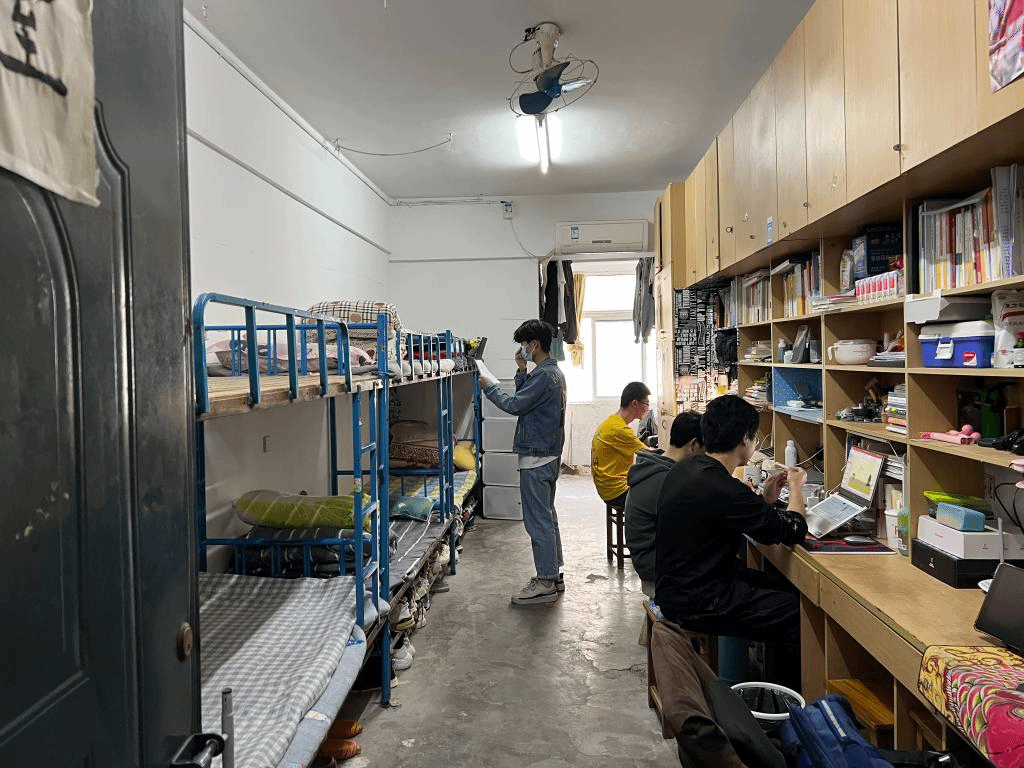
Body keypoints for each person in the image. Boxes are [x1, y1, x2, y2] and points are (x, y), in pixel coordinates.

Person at [655, 394, 807, 690]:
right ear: (744, 440)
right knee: (797, 614)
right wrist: (797, 488)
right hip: (698, 599)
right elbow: (792, 530)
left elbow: (733, 516)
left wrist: (764, 501)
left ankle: (772, 685)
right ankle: (788, 702)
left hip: (680, 585)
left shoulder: (687, 469)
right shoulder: (725, 488)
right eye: (754, 437)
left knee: (782, 586)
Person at [477, 319, 568, 606]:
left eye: (524, 345)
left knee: (537, 520)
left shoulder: (544, 376)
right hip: (548, 453)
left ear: (535, 344)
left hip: (537, 457)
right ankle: (553, 574)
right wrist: (520, 370)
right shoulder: (551, 372)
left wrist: (489, 387)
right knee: (547, 516)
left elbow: (515, 405)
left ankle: (545, 581)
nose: (522, 349)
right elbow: (529, 399)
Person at [623, 411, 703, 596]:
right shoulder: (668, 480)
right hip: (655, 568)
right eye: (705, 452)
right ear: (694, 445)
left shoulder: (657, 465)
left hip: (650, 559)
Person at [591, 381, 652, 509]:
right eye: (646, 404)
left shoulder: (611, 421)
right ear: (634, 403)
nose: (648, 408)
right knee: (660, 494)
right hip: (617, 492)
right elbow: (652, 455)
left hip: (606, 489)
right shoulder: (620, 430)